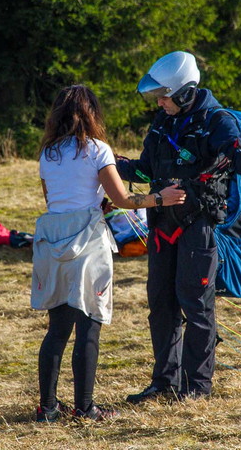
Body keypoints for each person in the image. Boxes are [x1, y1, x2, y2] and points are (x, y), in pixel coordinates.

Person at [31, 84, 186, 422]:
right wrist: (162, 197)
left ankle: (47, 408)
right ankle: (85, 409)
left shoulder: (48, 153)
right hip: (87, 241)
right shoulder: (98, 150)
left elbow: (55, 200)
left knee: (57, 328)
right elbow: (124, 200)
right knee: (89, 326)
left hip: (51, 239)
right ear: (92, 114)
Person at [116, 51, 241, 403]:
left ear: (184, 92)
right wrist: (110, 165)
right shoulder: (162, 123)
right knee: (161, 304)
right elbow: (146, 170)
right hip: (162, 224)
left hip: (199, 226)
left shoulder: (218, 120)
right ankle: (164, 383)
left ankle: (197, 387)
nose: (159, 102)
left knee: (195, 304)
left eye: (164, 95)